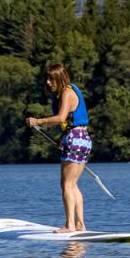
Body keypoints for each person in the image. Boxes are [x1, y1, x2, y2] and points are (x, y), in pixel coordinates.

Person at [26, 63, 92, 233]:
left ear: (60, 78)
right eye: (46, 79)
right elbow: (71, 121)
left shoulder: (67, 93)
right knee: (73, 184)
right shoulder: (70, 91)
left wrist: (38, 121)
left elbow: (61, 117)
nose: (48, 82)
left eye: (51, 79)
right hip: (82, 139)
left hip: (76, 140)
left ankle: (70, 225)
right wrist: (61, 138)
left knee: (67, 184)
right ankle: (80, 225)